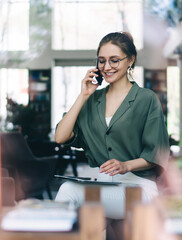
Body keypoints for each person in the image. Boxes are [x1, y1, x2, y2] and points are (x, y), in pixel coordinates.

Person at [55, 32, 169, 240]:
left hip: (139, 187)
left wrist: (126, 165)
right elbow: (61, 137)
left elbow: (157, 154)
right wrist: (83, 95)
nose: (107, 67)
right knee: (75, 203)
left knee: (69, 192)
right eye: (101, 61)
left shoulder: (146, 99)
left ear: (130, 60)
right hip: (103, 185)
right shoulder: (92, 100)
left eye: (114, 60)